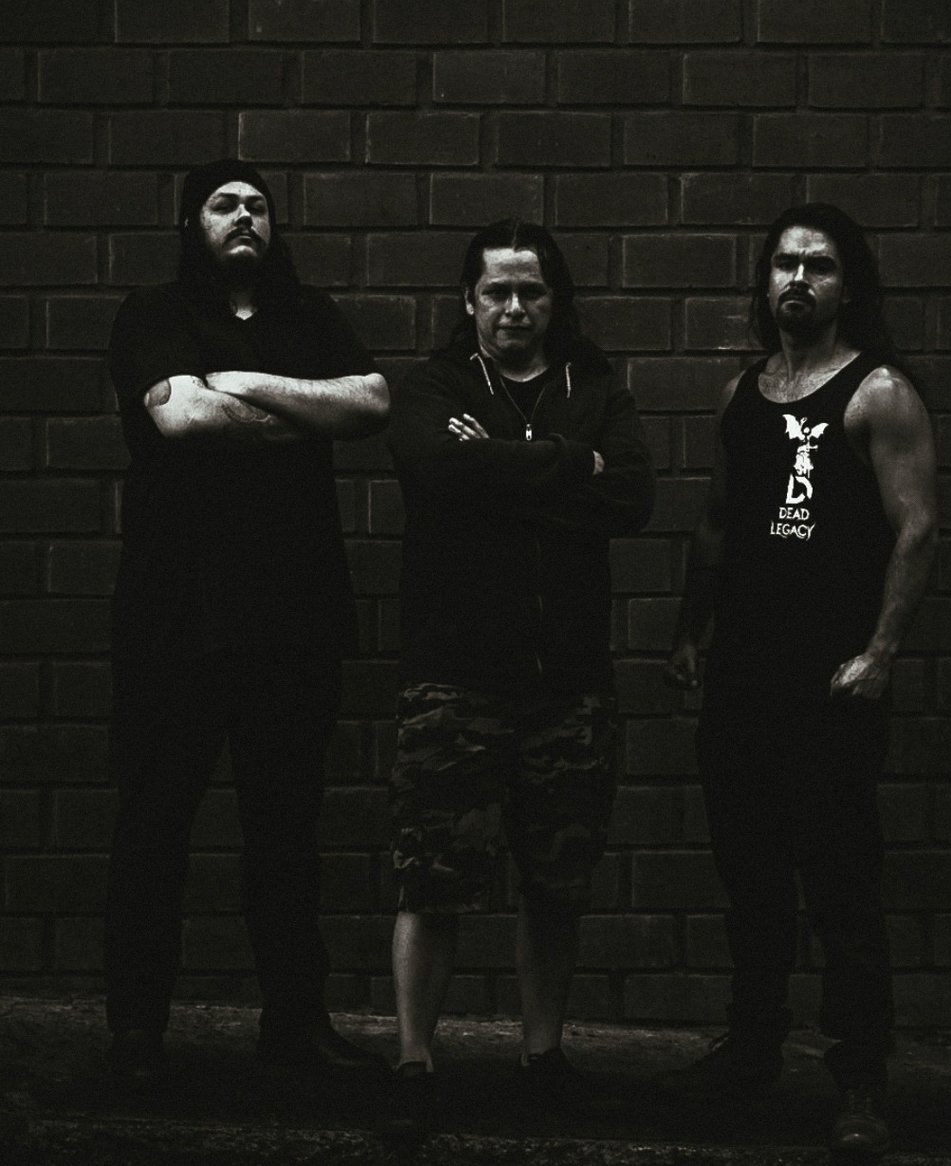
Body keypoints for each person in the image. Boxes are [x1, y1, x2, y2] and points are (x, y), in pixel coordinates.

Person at [105, 160, 390, 1084]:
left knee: (287, 836)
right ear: (193, 223)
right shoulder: (152, 312)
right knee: (155, 828)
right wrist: (302, 409)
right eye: (224, 205)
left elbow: (372, 402)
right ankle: (136, 1033)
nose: (244, 218)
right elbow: (183, 419)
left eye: (258, 207)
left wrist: (240, 378)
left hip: (292, 619)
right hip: (175, 616)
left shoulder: (311, 314)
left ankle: (295, 1026)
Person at [665, 204, 937, 1157]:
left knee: (840, 886)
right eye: (784, 263)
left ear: (846, 287)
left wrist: (880, 653)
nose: (797, 280)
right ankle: (751, 1051)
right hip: (744, 680)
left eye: (818, 266)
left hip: (830, 687)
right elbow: (716, 523)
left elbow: (917, 530)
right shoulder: (743, 393)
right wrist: (691, 633)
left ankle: (859, 1076)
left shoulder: (878, 392)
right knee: (751, 881)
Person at [385, 220, 655, 1133]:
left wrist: (496, 464)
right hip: (454, 679)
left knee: (556, 885)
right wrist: (568, 464)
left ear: (555, 301)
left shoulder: (596, 389)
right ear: (469, 301)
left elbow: (631, 496)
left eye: (530, 292)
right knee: (433, 882)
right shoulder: (435, 387)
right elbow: (436, 472)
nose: (513, 308)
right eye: (496, 291)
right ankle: (414, 1062)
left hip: (567, 685)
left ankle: (543, 1056)